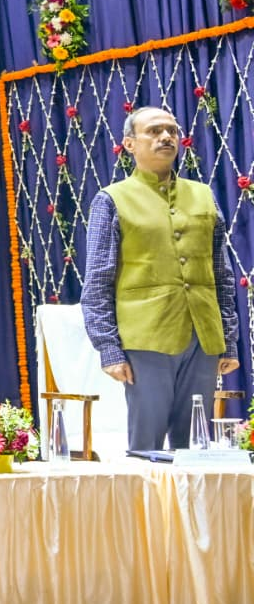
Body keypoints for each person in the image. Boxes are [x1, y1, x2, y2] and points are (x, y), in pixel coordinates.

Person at [83, 106, 239, 451]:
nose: (166, 137)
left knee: (196, 445)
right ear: (129, 144)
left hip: (203, 336)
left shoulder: (204, 195)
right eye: (154, 131)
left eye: (172, 130)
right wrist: (109, 349)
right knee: (146, 446)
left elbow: (222, 274)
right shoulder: (111, 200)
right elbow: (96, 282)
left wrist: (228, 341)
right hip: (145, 337)